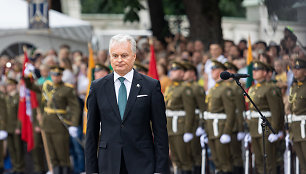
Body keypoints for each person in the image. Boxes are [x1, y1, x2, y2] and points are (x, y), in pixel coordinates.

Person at [85, 34, 169, 174]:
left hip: (143, 163)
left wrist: (160, 170)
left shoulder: (150, 86)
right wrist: (91, 170)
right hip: (108, 164)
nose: (119, 60)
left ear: (134, 56)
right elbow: (91, 133)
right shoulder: (97, 87)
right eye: (115, 55)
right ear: (110, 57)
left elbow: (160, 132)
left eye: (124, 55)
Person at [246, 61, 284, 174]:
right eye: (253, 70)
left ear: (264, 72)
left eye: (257, 70)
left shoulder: (270, 88)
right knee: (258, 160)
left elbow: (277, 111)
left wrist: (275, 130)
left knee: (268, 161)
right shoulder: (252, 89)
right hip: (254, 127)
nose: (254, 72)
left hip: (266, 128)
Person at [42, 66, 80, 174]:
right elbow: (33, 88)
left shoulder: (67, 89)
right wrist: (28, 76)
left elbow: (75, 108)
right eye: (53, 75)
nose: (55, 77)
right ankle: (55, 171)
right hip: (47, 124)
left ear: (61, 76)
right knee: (52, 154)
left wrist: (74, 124)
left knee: (62, 153)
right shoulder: (47, 86)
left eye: (57, 75)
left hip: (60, 125)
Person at [204, 61, 235, 174]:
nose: (212, 71)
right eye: (211, 69)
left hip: (221, 128)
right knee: (216, 160)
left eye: (215, 69)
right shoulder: (213, 89)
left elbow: (230, 112)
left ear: (222, 71)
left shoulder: (225, 89)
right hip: (212, 128)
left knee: (224, 161)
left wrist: (227, 132)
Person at [164, 61, 195, 174]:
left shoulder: (185, 89)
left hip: (181, 128)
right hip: (171, 127)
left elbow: (190, 111)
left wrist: (188, 130)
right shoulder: (170, 88)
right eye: (171, 70)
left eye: (175, 70)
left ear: (182, 73)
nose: (171, 72)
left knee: (184, 158)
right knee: (175, 159)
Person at [183, 61, 206, 174]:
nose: (183, 74)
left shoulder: (197, 87)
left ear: (192, 73)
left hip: (194, 124)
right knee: (185, 153)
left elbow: (203, 108)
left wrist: (202, 125)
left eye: (186, 71)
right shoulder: (183, 87)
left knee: (195, 152)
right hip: (184, 123)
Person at [224, 62, 245, 174]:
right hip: (225, 123)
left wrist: (241, 128)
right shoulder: (224, 86)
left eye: (229, 69)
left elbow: (240, 109)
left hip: (235, 125)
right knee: (227, 155)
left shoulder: (236, 87)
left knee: (236, 155)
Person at [288, 58, 306, 174]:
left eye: (298, 69)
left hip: (304, 128)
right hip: (295, 129)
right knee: (302, 164)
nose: (295, 71)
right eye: (294, 68)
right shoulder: (294, 87)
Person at [5, 78, 25, 174]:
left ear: (13, 86)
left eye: (9, 85)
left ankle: (20, 167)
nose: (8, 87)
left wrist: (18, 127)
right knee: (11, 148)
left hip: (15, 127)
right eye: (7, 85)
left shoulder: (18, 98)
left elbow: (20, 114)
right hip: (8, 127)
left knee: (18, 148)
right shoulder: (7, 97)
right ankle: (15, 167)